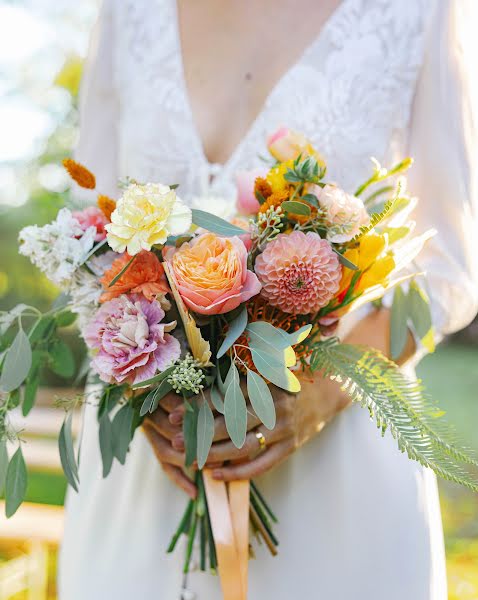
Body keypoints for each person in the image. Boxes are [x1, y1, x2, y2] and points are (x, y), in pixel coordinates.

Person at [59, 1, 478, 598]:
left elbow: (448, 267)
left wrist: (321, 394)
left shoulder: (423, 11)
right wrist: (142, 382)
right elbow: (87, 235)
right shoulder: (129, 13)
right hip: (144, 459)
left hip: (336, 465)